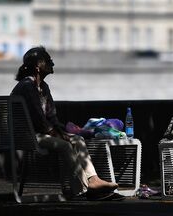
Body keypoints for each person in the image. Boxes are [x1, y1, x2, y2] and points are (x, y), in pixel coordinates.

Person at [11, 46, 120, 200]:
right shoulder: (27, 86)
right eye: (48, 60)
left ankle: (93, 180)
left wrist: (62, 132)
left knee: (78, 140)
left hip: (39, 133)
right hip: (26, 135)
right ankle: (82, 190)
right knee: (65, 145)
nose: (52, 64)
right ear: (37, 67)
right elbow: (40, 120)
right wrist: (60, 135)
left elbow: (52, 116)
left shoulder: (43, 87)